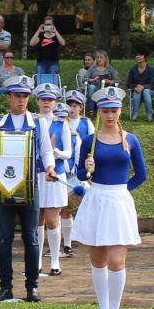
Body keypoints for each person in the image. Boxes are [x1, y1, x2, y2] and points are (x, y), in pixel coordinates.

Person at [70, 86, 147, 309]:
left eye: (114, 110)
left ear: (120, 111)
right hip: (96, 199)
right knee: (98, 259)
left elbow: (141, 174)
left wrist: (122, 192)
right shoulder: (90, 142)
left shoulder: (131, 140)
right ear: (99, 112)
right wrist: (88, 168)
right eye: (105, 111)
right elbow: (80, 174)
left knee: (116, 260)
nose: (110, 115)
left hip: (118, 201)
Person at [0, 74, 50, 302]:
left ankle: (32, 287)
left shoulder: (38, 121)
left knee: (31, 237)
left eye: (25, 96)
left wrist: (50, 167)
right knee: (4, 239)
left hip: (29, 188)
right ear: (8, 97)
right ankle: (5, 287)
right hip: (3, 187)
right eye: (17, 95)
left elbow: (46, 150)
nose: (22, 100)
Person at [34, 85, 73, 278]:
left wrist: (55, 152)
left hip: (55, 174)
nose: (46, 102)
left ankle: (55, 261)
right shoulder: (32, 122)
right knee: (37, 219)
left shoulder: (61, 124)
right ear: (38, 101)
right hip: (36, 174)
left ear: (55, 102)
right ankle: (37, 261)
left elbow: (69, 153)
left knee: (51, 219)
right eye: (43, 99)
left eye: (50, 99)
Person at [61, 90, 93, 256]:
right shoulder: (61, 121)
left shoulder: (86, 123)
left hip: (82, 168)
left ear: (81, 107)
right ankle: (66, 241)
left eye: (75, 105)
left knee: (85, 204)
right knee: (65, 206)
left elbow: (93, 145)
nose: (71, 109)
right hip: (65, 169)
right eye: (69, 105)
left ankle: (87, 234)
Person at [125, 51, 154, 120]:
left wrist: (143, 87)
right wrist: (135, 87)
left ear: (145, 57)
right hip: (137, 91)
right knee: (137, 92)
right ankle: (135, 114)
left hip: (150, 92)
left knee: (146, 91)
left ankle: (149, 115)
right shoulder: (133, 69)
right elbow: (128, 83)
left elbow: (151, 84)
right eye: (137, 55)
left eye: (140, 55)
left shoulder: (151, 69)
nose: (138, 56)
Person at [32, 16, 64, 86]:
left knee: (53, 82)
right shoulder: (41, 36)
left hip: (53, 62)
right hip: (41, 63)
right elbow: (32, 43)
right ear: (43, 25)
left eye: (50, 24)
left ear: (53, 25)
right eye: (46, 24)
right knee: (39, 81)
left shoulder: (56, 36)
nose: (48, 26)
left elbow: (63, 43)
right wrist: (38, 31)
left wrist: (56, 31)